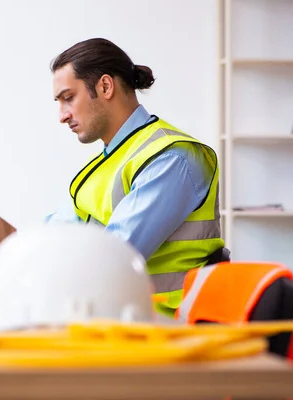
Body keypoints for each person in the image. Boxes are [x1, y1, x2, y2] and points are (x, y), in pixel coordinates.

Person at [46, 38, 227, 317]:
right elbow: (53, 236)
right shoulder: (110, 161)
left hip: (166, 328)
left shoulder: (171, 157)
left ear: (105, 86)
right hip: (122, 322)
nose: (62, 115)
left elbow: (113, 257)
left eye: (69, 98)